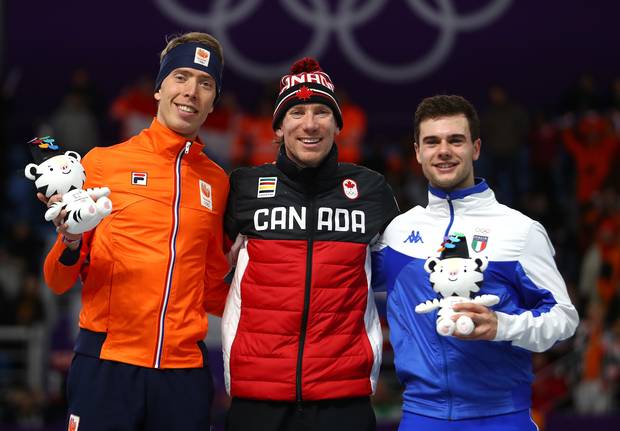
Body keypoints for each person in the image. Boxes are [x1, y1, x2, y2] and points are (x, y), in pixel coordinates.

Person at [41, 32, 230, 430]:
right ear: (159, 88)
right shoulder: (103, 163)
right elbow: (57, 281)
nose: (191, 92)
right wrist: (70, 240)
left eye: (205, 83)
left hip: (184, 374)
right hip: (107, 366)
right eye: (181, 77)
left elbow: (214, 289)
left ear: (213, 102)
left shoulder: (217, 182)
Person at [372, 95, 579, 430]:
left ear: (476, 148)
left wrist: (503, 326)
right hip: (421, 418)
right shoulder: (398, 232)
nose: (444, 150)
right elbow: (344, 276)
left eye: (456, 140)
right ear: (418, 152)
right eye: (432, 141)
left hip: (501, 417)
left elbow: (563, 318)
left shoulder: (520, 231)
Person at [221, 57, 399, 431]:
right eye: (297, 111)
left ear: (337, 125)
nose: (310, 123)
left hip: (343, 398)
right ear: (278, 126)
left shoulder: (371, 190)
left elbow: (398, 280)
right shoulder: (243, 188)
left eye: (322, 111)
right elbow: (209, 269)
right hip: (257, 397)